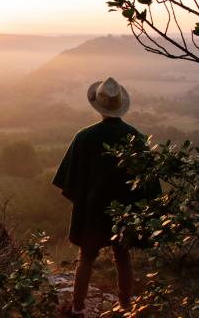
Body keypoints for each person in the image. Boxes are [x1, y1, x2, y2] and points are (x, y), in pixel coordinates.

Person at [52, 78, 161, 316]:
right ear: (120, 105)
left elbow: (68, 181)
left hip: (92, 212)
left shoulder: (84, 137)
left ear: (98, 106)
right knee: (122, 257)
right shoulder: (137, 138)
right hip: (125, 212)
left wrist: (85, 200)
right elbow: (149, 184)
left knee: (86, 259)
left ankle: (78, 309)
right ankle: (125, 307)